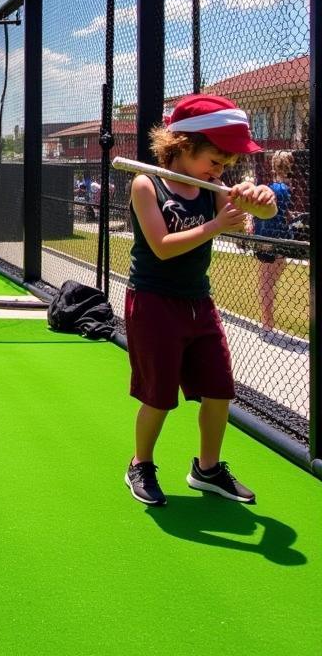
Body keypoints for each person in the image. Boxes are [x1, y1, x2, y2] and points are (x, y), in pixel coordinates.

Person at [123, 94, 276, 507]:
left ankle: (206, 469)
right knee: (158, 396)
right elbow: (162, 246)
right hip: (153, 302)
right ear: (184, 146)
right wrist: (214, 225)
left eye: (227, 165)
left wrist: (262, 202)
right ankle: (141, 463)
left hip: (198, 302)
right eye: (216, 159)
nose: (221, 170)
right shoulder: (146, 184)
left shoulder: (214, 188)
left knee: (219, 390)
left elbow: (251, 218)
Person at [252, 150, 295, 338]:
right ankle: (269, 323)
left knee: (265, 284)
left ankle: (267, 325)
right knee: (271, 283)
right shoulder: (287, 188)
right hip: (282, 238)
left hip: (268, 239)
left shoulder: (273, 188)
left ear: (273, 166)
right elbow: (282, 214)